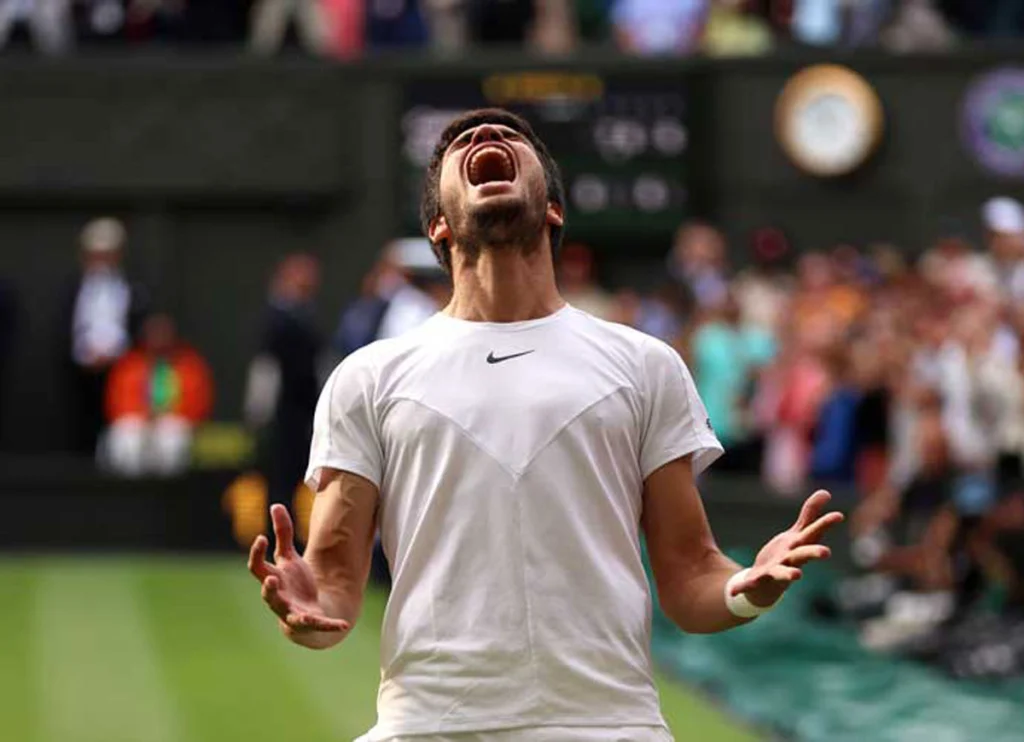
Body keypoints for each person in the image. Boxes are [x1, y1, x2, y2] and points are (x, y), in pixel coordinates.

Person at [247, 108, 843, 742]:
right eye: (459, 143)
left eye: (512, 138)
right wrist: (307, 608)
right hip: (427, 726)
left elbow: (692, 572)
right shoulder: (367, 378)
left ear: (553, 210)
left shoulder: (646, 366)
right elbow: (335, 578)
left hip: (611, 727)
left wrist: (745, 588)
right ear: (439, 226)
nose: (484, 136)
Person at [244, 253, 324, 510]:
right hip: (282, 411)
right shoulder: (276, 318)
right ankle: (277, 535)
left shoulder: (306, 313)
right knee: (280, 477)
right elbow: (266, 369)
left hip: (305, 409)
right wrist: (259, 410)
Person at [63, 217, 146, 457]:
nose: (101, 260)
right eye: (95, 254)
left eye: (107, 253)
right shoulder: (73, 288)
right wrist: (86, 353)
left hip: (123, 371)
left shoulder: (132, 288)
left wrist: (116, 354)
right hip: (81, 371)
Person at [103, 313, 213, 477]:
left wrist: (166, 416)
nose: (159, 339)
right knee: (128, 439)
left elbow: (199, 403)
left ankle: (167, 496)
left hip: (174, 422)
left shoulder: (190, 364)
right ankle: (130, 493)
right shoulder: (129, 365)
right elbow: (117, 401)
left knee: (170, 438)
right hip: (138, 420)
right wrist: (144, 416)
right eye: (154, 334)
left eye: (163, 334)